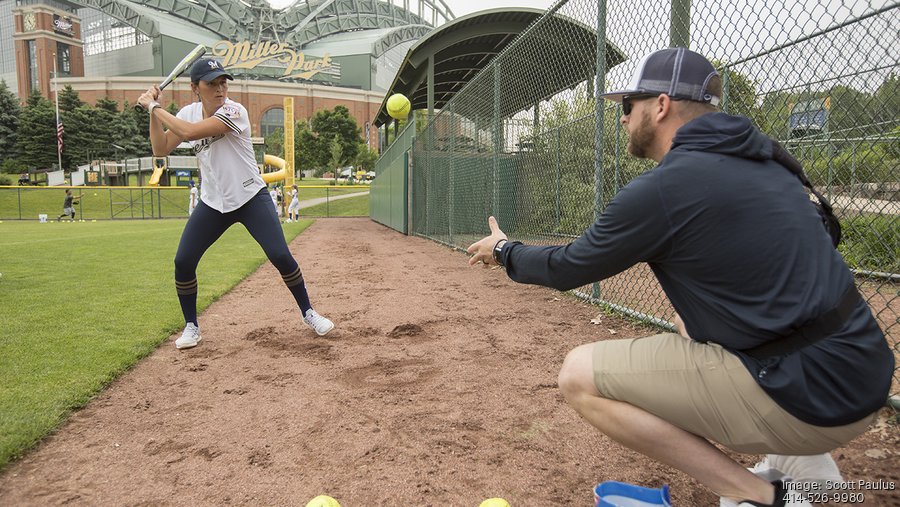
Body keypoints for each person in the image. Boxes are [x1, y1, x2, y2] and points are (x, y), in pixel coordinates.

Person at [467, 48, 893, 507]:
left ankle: (762, 495)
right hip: (864, 375)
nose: (624, 119)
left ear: (662, 106)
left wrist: (504, 251)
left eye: (629, 107)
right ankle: (807, 468)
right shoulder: (768, 159)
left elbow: (568, 267)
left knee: (578, 375)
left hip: (814, 402)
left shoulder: (665, 188)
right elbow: (818, 242)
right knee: (689, 325)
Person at [137, 57, 334, 350]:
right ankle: (191, 325)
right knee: (183, 261)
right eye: (212, 83)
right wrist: (153, 112)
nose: (220, 88)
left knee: (280, 255)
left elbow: (190, 133)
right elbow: (160, 148)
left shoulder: (234, 110)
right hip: (213, 202)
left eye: (223, 82)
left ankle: (308, 312)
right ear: (195, 88)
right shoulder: (188, 112)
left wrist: (154, 107)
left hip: (250, 196)